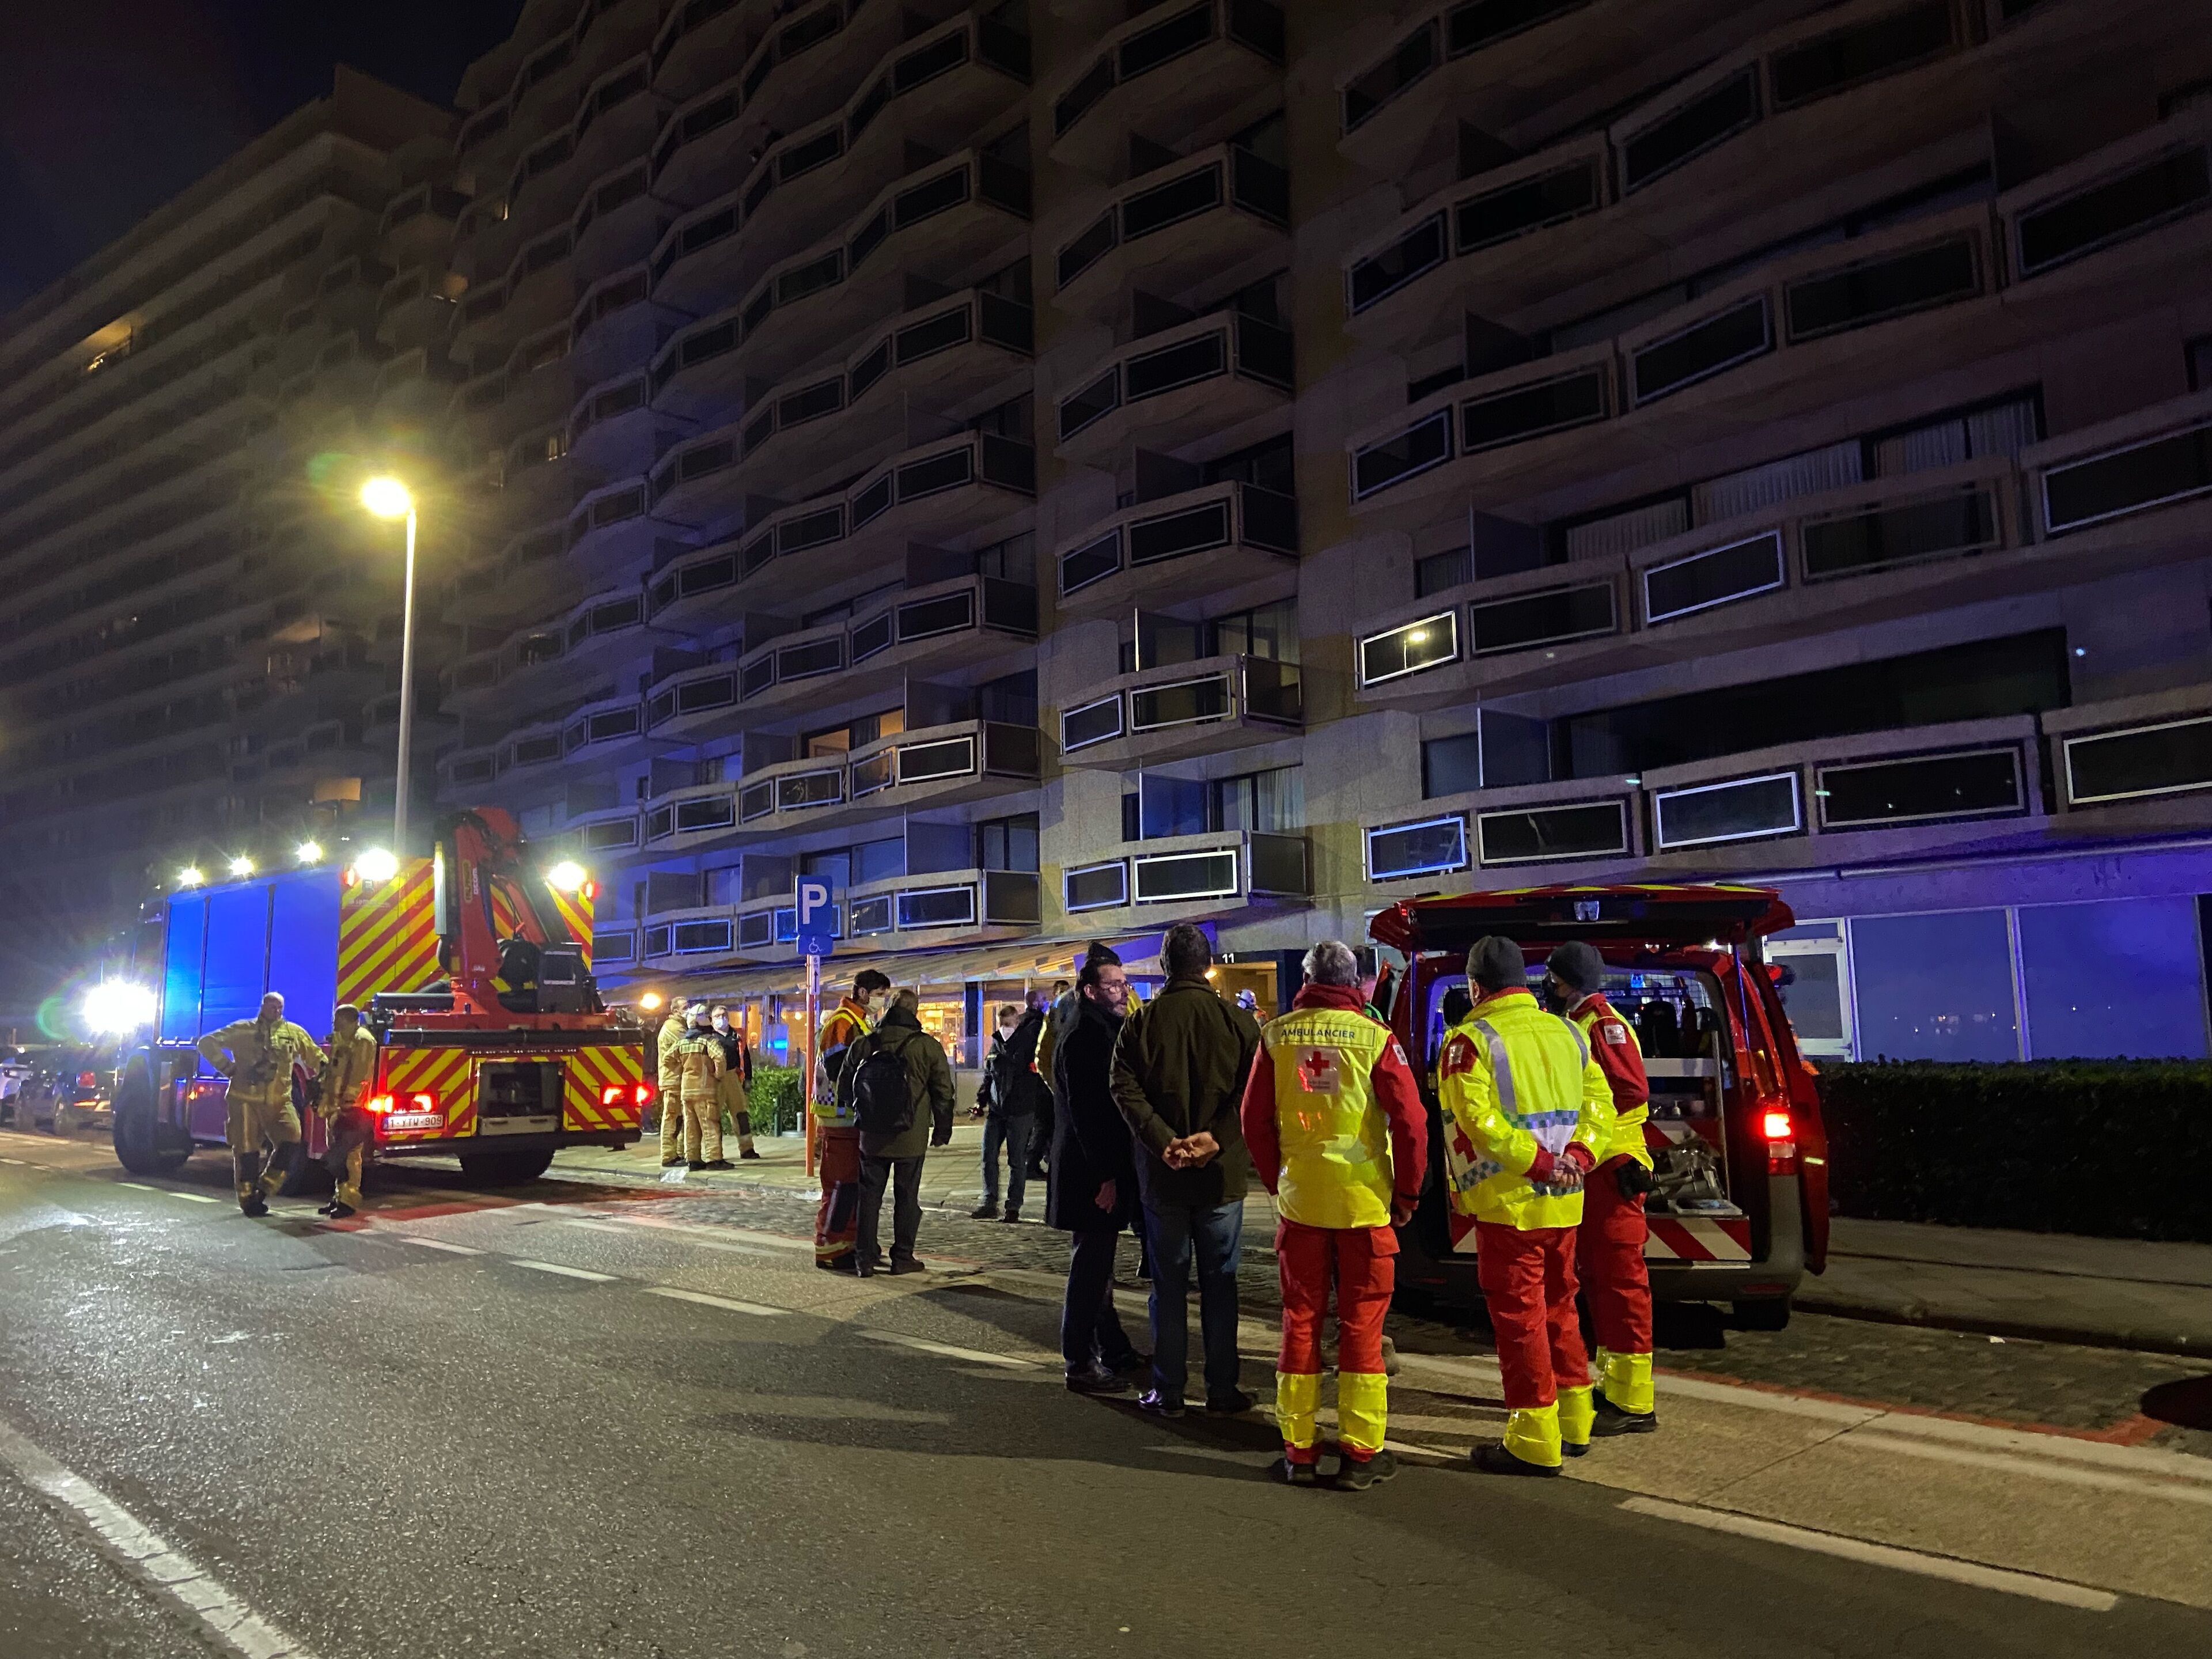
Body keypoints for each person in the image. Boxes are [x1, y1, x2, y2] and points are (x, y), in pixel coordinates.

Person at [1241, 940, 1427, 1489]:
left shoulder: (1276, 1036)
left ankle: (1298, 1450)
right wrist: (1408, 1194)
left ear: (1306, 980)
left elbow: (1254, 1121)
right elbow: (1411, 1123)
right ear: (1354, 983)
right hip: (1363, 1202)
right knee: (1362, 1326)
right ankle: (1361, 1455)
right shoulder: (1375, 1038)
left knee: (1300, 1321)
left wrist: (1279, 1179)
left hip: (1302, 1200)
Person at [1438, 936, 1612, 1476]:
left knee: (1520, 1320)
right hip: (1566, 1201)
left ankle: (1534, 1439)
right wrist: (1578, 1156)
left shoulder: (1469, 1042)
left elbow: (1478, 1122)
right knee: (1561, 1308)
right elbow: (1601, 1104)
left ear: (1475, 987)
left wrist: (1537, 1163)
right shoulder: (1569, 1032)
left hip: (1508, 1205)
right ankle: (1575, 1421)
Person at [1109, 922, 1261, 1418]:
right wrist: (1216, 1137)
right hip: (1221, 1176)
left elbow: (1122, 1086)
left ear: (1165, 966)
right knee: (1221, 1285)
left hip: (1163, 1175)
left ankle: (1169, 1389)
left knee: (1169, 1286)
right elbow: (1254, 1092)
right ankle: (1222, 1389)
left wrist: (1163, 1140)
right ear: (1207, 964)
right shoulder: (1239, 1023)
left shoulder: (1141, 1024)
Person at [1546, 940, 1657, 1436]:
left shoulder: (1600, 1025)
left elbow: (1630, 1090)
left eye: (1553, 979)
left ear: (1566, 981)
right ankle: (1615, 1387)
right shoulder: (1583, 1022)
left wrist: (1583, 1127)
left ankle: (1634, 1403)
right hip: (1601, 1168)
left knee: (1620, 1283)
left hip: (1612, 1166)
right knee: (1601, 1281)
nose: (1548, 987)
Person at [1048, 948, 1145, 1393]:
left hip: (1093, 1166)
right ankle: (1080, 1363)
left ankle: (1113, 1348)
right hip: (1090, 1172)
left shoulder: (1098, 1027)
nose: (1123, 992)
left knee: (1099, 1266)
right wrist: (1106, 1176)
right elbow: (1088, 1113)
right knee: (1090, 1268)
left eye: (1124, 984)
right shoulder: (1086, 1034)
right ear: (1090, 991)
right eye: (1113, 986)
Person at [838, 988, 955, 1276]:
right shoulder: (926, 1046)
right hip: (910, 1135)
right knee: (907, 1197)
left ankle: (864, 1258)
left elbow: (844, 1086)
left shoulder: (866, 1043)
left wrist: (862, 1113)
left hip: (872, 1136)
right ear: (914, 1012)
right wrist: (942, 1129)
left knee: (869, 1197)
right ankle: (902, 1257)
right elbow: (943, 1092)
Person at [197, 992, 326, 1216]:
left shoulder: (293, 1033)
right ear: (263, 1006)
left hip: (279, 1100)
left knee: (292, 1136)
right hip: (245, 1099)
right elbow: (206, 1043)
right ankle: (248, 1199)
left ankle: (266, 1186)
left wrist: (325, 1072)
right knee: (246, 1148)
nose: (276, 1011)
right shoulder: (243, 1030)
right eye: (272, 1006)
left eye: (279, 1007)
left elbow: (314, 1055)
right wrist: (228, 1069)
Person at [813, 970, 890, 1271]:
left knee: (852, 1186)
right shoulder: (842, 1022)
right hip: (839, 1116)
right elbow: (839, 1071)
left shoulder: (858, 1021)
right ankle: (829, 1246)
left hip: (848, 1117)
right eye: (880, 994)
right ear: (862, 992)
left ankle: (849, 1243)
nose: (882, 1000)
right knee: (841, 1186)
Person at [974, 993, 1045, 1221]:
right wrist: (980, 1102)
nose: (1005, 1029)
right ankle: (989, 1201)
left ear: (1017, 1022)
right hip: (997, 1111)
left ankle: (1013, 1206)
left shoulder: (1027, 1043)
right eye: (1002, 1025)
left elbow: (1035, 1075)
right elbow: (989, 1076)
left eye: (1008, 1024)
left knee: (1016, 1160)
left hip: (1020, 1110)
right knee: (988, 1156)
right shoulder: (996, 1043)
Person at [315, 1003, 378, 1219]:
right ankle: (339, 1197)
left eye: (337, 1019)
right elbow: (334, 1071)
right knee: (338, 1155)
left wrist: (350, 1101)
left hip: (352, 1109)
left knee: (350, 1156)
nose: (334, 1023)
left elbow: (360, 1075)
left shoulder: (363, 1040)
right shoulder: (343, 1038)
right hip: (337, 1107)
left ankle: (348, 1202)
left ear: (348, 1019)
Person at [1027, 975, 1077, 1180]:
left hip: (1050, 1086)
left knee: (1049, 1128)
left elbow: (1042, 1057)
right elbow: (1041, 1058)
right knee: (1047, 1127)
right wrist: (1056, 1087)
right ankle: (1036, 1163)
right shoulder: (1044, 1019)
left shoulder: (1045, 1019)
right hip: (1050, 1088)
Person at [669, 1005, 730, 1170]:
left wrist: (680, 1070)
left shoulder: (681, 1043)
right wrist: (717, 1075)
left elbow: (667, 1059)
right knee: (710, 1124)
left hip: (686, 1091)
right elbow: (720, 1058)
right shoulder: (708, 1041)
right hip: (705, 1091)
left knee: (691, 1127)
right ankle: (714, 1159)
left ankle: (693, 1160)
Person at [710, 1006, 760, 1160]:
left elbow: (746, 1058)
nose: (721, 1018)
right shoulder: (709, 1036)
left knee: (741, 1115)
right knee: (713, 1116)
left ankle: (747, 1149)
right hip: (715, 1079)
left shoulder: (737, 1036)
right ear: (711, 1019)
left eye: (724, 1015)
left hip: (733, 1076)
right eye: (717, 1016)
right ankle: (715, 1153)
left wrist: (748, 1079)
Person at [657, 1002, 693, 1168]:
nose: (688, 1009)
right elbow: (688, 1045)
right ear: (675, 1010)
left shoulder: (678, 1025)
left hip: (676, 1078)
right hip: (673, 1079)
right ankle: (668, 1155)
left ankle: (677, 1153)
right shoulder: (674, 1027)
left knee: (679, 1118)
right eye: (685, 1007)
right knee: (672, 1117)